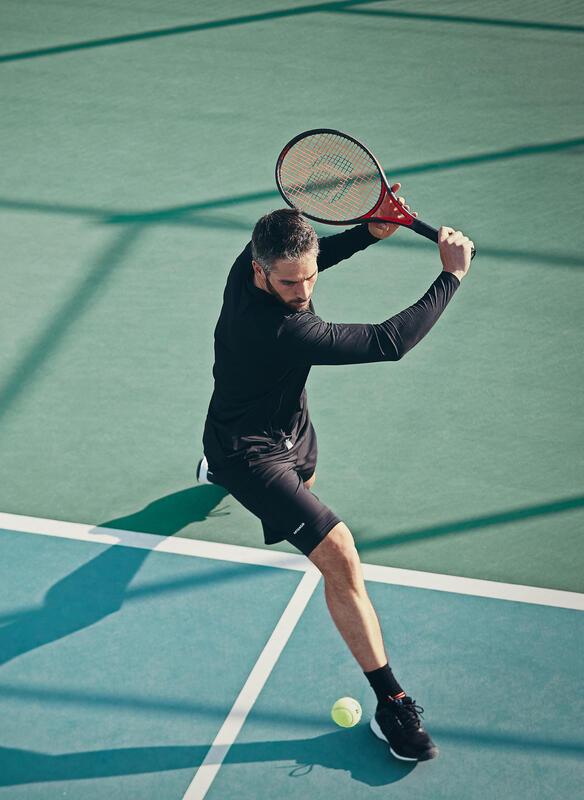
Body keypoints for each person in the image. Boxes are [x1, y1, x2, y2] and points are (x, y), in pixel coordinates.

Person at [198, 187, 474, 763]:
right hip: (250, 454)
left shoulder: (253, 265)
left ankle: (217, 471)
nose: (303, 293)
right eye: (289, 284)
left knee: (308, 491)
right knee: (340, 554)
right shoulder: (280, 329)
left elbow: (318, 257)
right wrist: (450, 277)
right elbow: (387, 342)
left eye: (309, 278)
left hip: (291, 428)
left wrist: (368, 234)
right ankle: (392, 702)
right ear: (259, 272)